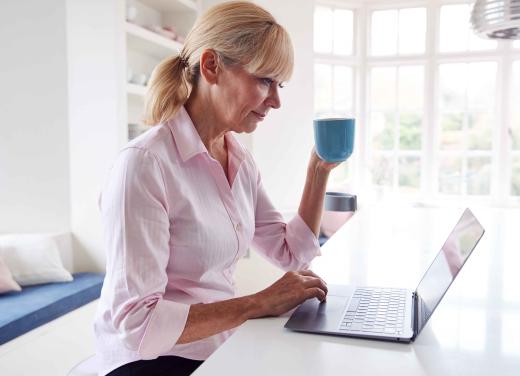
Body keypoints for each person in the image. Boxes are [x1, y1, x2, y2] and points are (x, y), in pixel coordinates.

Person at [94, 1, 341, 375]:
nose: (275, 100)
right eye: (265, 81)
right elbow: (137, 326)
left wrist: (318, 169)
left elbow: (290, 253)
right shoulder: (145, 165)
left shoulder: (238, 158)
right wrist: (258, 303)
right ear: (211, 66)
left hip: (217, 346)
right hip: (150, 361)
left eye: (280, 84)